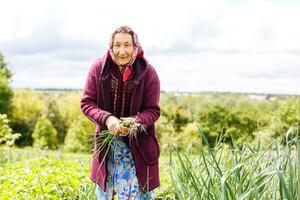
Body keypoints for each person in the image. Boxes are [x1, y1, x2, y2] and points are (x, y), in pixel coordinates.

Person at [80, 25, 161, 199]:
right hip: (108, 149)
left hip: (138, 149)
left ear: (135, 47)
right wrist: (108, 119)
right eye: (117, 45)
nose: (122, 51)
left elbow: (153, 111)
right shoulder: (98, 69)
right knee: (108, 194)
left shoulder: (148, 73)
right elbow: (87, 103)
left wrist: (134, 122)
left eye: (127, 45)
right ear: (111, 46)